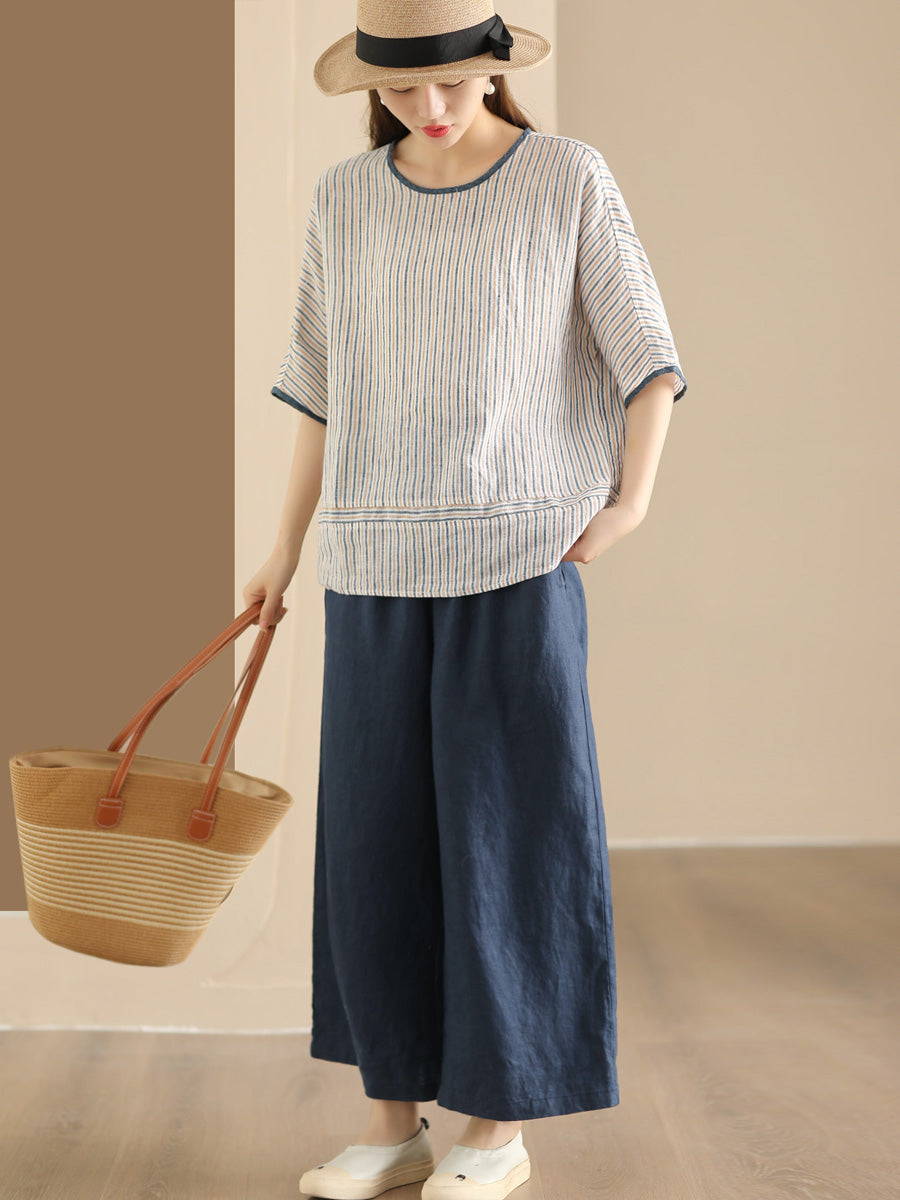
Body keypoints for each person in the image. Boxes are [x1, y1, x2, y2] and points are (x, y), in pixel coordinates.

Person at [243, 2, 687, 1197]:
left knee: (509, 840)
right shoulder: (345, 199)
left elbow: (647, 356)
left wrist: (629, 503)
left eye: (450, 83)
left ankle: (495, 1129)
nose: (428, 109)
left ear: (493, 68)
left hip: (520, 557)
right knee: (373, 846)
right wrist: (282, 550)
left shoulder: (566, 179)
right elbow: (322, 391)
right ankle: (392, 1123)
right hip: (373, 561)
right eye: (400, 91)